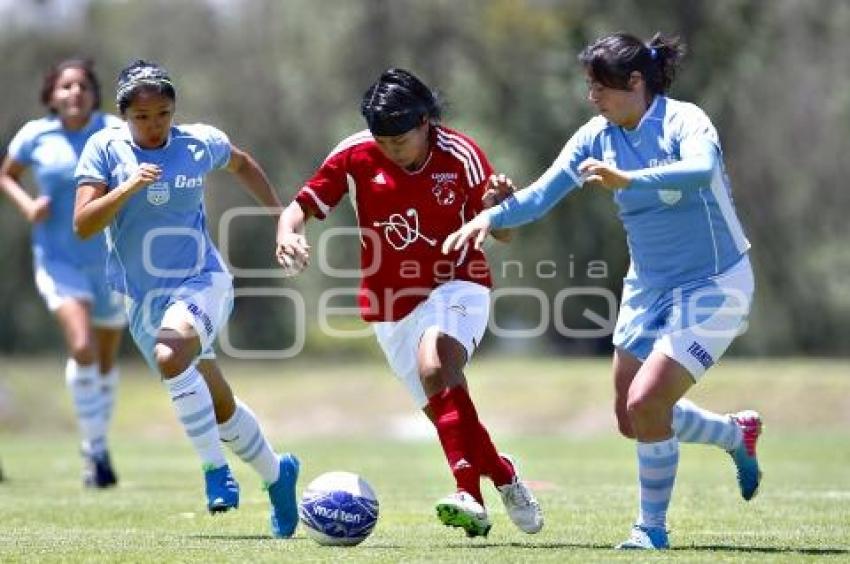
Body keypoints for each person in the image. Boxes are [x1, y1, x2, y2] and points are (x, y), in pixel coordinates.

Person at [443, 33, 763, 550]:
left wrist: (628, 179)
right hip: (647, 287)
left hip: (715, 283)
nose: (592, 97)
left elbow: (700, 171)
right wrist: (490, 215)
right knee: (630, 417)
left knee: (646, 400)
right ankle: (734, 434)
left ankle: (649, 530)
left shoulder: (685, 121)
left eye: (600, 87)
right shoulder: (596, 135)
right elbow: (541, 197)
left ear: (636, 83)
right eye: (589, 86)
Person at [276, 68, 543, 538]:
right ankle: (504, 476)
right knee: (445, 409)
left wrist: (505, 204)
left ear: (426, 122)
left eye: (400, 139)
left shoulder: (460, 154)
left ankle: (468, 495)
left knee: (435, 362)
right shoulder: (355, 153)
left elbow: (503, 233)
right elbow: (299, 207)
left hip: (459, 282)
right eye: (383, 140)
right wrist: (287, 234)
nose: (391, 149)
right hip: (390, 306)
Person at [73, 60, 299, 537]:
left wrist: (282, 216)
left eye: (163, 114)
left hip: (203, 280)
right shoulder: (104, 149)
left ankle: (216, 472)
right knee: (219, 406)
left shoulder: (198, 142)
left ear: (174, 110)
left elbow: (241, 162)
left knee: (169, 354)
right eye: (142, 117)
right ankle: (280, 476)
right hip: (142, 299)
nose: (154, 126)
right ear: (125, 116)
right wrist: (130, 187)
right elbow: (84, 223)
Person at [0, 58, 126, 488]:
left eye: (84, 86)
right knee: (82, 345)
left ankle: (100, 442)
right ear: (52, 94)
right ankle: (94, 454)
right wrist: (27, 205)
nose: (76, 93)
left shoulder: (113, 130)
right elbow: (7, 176)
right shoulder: (35, 135)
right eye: (67, 86)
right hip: (58, 260)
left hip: (112, 261)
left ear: (94, 94)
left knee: (106, 361)